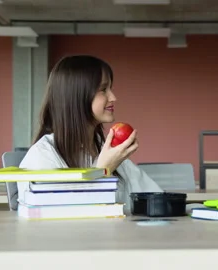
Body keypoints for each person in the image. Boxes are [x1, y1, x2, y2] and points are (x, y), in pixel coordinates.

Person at [18, 55, 162, 213]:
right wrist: (103, 171)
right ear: (76, 96)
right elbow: (67, 220)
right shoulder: (42, 157)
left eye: (110, 89)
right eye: (103, 90)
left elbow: (156, 197)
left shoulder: (104, 149)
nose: (113, 97)